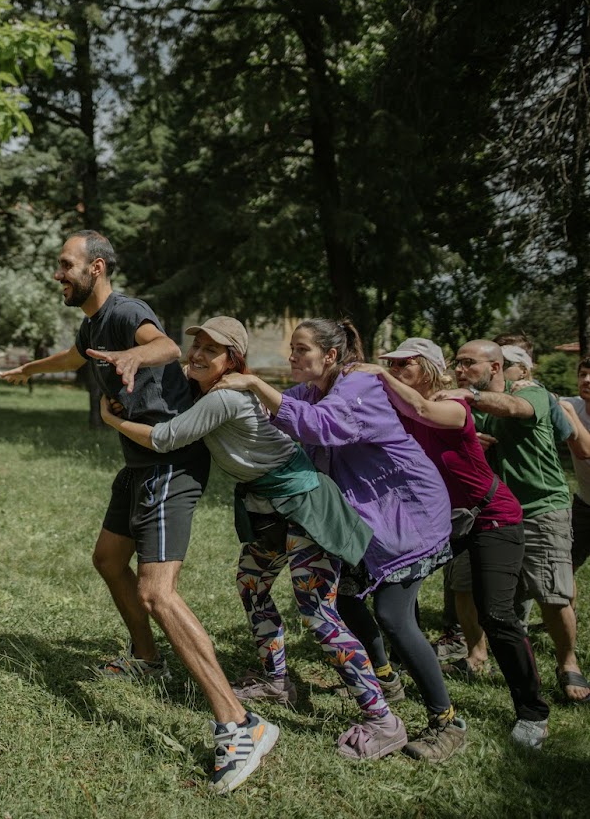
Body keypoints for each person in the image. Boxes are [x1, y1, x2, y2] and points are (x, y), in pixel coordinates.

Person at [0, 232, 276, 795]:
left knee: (158, 592)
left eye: (65, 265)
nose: (59, 274)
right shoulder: (90, 324)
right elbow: (76, 356)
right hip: (138, 463)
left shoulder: (127, 312)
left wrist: (134, 354)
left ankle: (240, 723)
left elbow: (167, 347)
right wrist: (30, 370)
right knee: (107, 559)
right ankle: (148, 658)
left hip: (170, 464)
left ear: (95, 268)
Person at [99, 317, 399, 760]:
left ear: (232, 361)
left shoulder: (225, 397)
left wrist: (110, 418)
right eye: (196, 345)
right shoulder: (208, 387)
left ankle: (383, 719)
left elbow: (164, 438)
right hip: (269, 508)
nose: (198, 354)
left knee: (318, 612)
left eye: (211, 350)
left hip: (303, 507)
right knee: (252, 584)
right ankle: (277, 682)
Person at [217, 318, 464, 762]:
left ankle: (446, 722)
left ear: (330, 356)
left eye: (301, 349)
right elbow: (275, 413)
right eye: (291, 349)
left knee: (393, 615)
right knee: (346, 601)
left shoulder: (356, 387)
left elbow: (317, 426)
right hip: (365, 522)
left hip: (408, 515)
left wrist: (254, 380)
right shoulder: (313, 389)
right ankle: (385, 683)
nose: (292, 357)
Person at [349, 338, 551, 749]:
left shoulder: (451, 404)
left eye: (403, 364)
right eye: (390, 363)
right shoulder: (397, 411)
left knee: (495, 614)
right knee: (395, 598)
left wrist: (380, 375)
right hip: (440, 522)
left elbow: (424, 410)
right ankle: (399, 674)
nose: (393, 368)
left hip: (492, 516)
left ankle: (533, 712)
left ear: (424, 367)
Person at [436, 339, 588, 704]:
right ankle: (476, 654)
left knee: (551, 592)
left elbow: (516, 408)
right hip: (484, 511)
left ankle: (569, 662)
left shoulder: (533, 393)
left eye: (469, 363)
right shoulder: (466, 403)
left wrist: (470, 398)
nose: (460, 369)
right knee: (464, 584)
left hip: (539, 506)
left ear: (495, 368)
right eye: (457, 363)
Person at [562, 357, 590, 575]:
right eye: (582, 375)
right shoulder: (573, 405)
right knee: (564, 566)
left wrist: (569, 413)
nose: (587, 380)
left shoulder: (570, 409)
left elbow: (586, 451)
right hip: (585, 504)